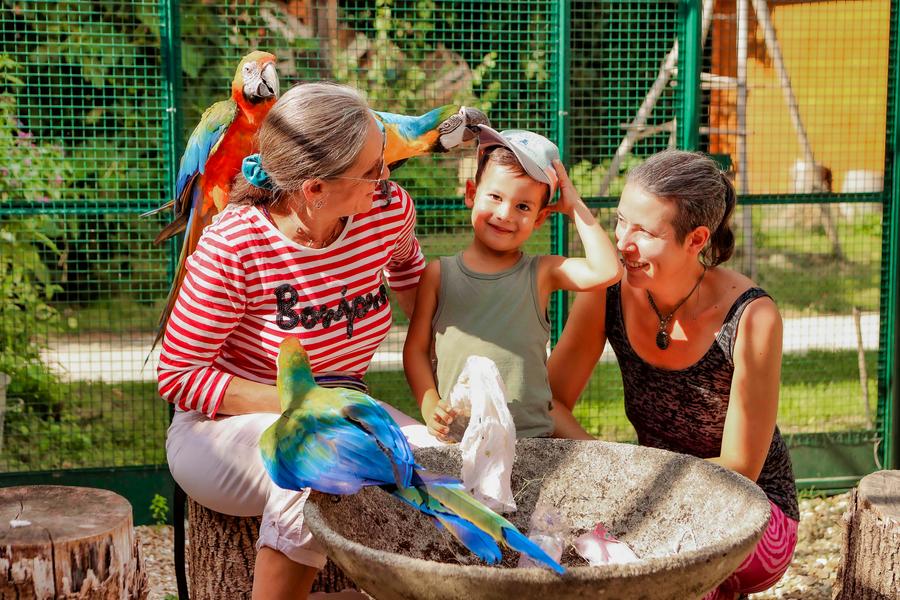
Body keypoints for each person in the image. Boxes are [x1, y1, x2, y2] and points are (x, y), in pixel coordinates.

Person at [157, 82, 439, 600]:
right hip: (219, 429)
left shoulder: (387, 211)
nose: (386, 178)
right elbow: (178, 377)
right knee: (320, 461)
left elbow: (410, 277)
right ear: (314, 189)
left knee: (442, 467)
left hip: (342, 408)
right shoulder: (236, 243)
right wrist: (303, 401)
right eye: (373, 169)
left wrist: (440, 368)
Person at [547, 149, 799, 600]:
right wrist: (609, 472)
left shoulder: (752, 317)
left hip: (755, 513)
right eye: (622, 221)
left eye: (645, 232)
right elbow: (547, 402)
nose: (623, 242)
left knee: (662, 576)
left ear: (696, 239)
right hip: (649, 498)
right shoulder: (607, 292)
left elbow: (741, 469)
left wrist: (629, 484)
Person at [403, 125, 622, 443]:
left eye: (523, 206)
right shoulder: (439, 275)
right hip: (460, 440)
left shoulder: (542, 272)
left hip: (532, 441)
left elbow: (607, 271)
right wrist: (430, 404)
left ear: (539, 218)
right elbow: (416, 350)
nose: (505, 214)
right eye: (494, 196)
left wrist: (574, 204)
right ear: (470, 193)